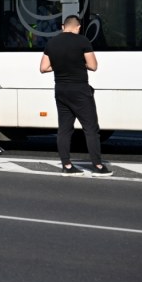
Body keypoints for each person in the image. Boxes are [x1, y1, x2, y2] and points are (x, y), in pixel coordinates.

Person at [39, 15, 112, 176]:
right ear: (78, 27)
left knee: (64, 129)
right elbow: (93, 66)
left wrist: (58, 67)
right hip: (79, 90)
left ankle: (67, 165)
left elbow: (43, 68)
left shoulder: (52, 43)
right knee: (91, 128)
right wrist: (80, 64)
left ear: (63, 26)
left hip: (61, 90)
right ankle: (98, 166)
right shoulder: (82, 41)